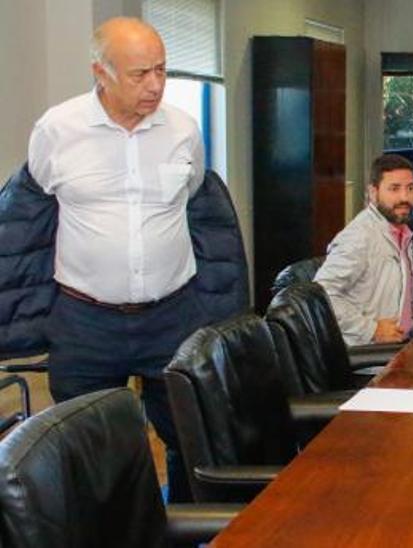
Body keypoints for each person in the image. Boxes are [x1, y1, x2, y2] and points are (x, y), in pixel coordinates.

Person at [12, 17, 249, 503]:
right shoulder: (57, 130)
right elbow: (29, 219)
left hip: (173, 316)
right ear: (101, 72)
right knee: (90, 454)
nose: (156, 85)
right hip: (84, 323)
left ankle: (189, 532)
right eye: (140, 74)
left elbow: (196, 201)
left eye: (162, 71)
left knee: (191, 438)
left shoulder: (183, 129)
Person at [315, 154, 413, 346]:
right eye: (394, 189)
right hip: (374, 357)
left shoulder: (399, 231)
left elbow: (399, 282)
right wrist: (370, 329)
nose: (405, 197)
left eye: (410, 188)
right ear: (373, 192)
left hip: (406, 340)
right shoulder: (359, 237)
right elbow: (321, 296)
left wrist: (412, 310)